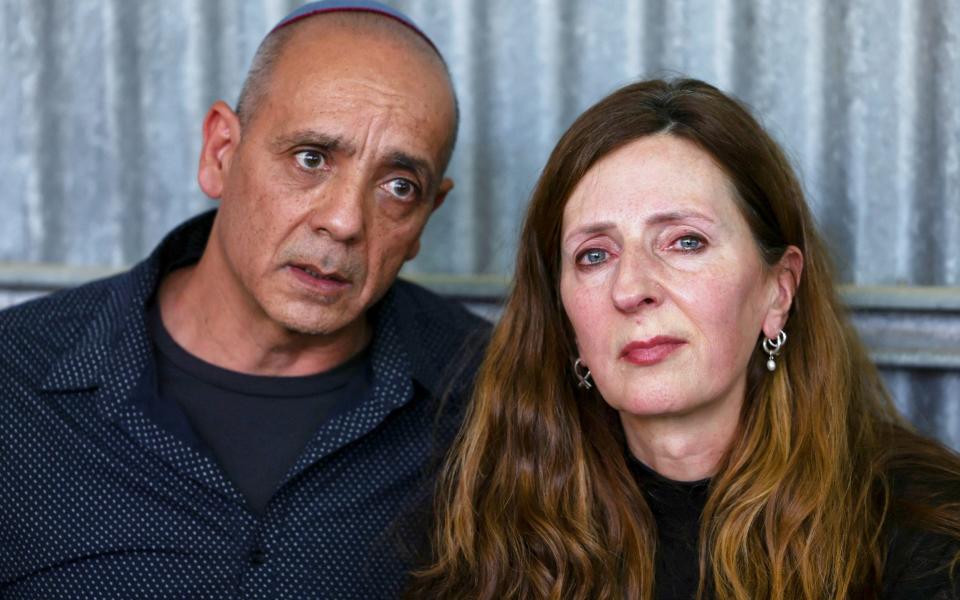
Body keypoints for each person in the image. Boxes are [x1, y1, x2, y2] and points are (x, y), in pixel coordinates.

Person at [0, 1, 488, 598]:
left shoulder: (492, 395)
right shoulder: (14, 377)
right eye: (310, 159)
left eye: (397, 187)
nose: (344, 222)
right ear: (221, 153)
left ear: (425, 219)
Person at [409, 78, 960, 600]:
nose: (631, 289)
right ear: (565, 319)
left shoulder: (927, 532)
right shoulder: (486, 524)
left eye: (685, 242)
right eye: (594, 255)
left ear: (778, 291)